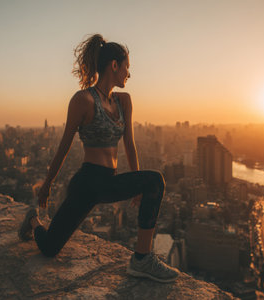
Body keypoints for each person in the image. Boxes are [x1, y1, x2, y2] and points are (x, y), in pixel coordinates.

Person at [18, 34, 179, 283]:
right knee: (50, 248)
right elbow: (64, 145)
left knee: (154, 181)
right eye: (127, 67)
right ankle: (33, 221)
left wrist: (137, 182)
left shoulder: (123, 101)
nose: (129, 73)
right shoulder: (82, 100)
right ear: (114, 65)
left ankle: (142, 259)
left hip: (108, 181)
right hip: (88, 181)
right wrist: (47, 184)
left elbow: (130, 144)